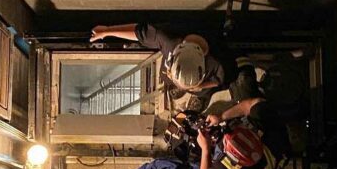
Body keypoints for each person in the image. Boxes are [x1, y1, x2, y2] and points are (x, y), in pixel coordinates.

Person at [89, 20, 257, 108]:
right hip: (197, 78)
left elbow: (221, 81)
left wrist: (203, 86)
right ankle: (180, 87)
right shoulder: (167, 39)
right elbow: (138, 31)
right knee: (174, 89)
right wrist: (106, 31)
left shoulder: (220, 63)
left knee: (206, 92)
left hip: (204, 85)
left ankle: (201, 96)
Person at [197, 97, 289, 169]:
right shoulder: (275, 140)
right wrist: (221, 117)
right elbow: (251, 104)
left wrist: (205, 149)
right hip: (275, 148)